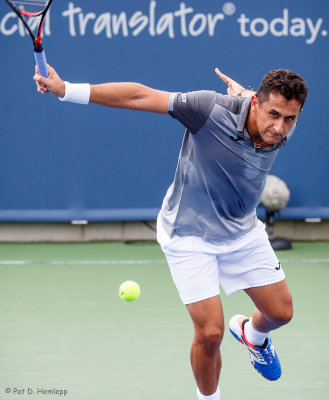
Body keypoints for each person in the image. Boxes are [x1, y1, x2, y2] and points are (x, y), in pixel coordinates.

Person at [34, 66, 307, 400]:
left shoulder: (278, 122)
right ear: (255, 105)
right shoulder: (208, 109)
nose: (279, 128)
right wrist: (67, 90)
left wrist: (248, 97)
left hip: (242, 231)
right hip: (188, 234)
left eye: (290, 119)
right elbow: (139, 96)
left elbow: (262, 106)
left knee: (281, 313)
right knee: (210, 332)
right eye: (274, 114)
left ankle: (253, 336)